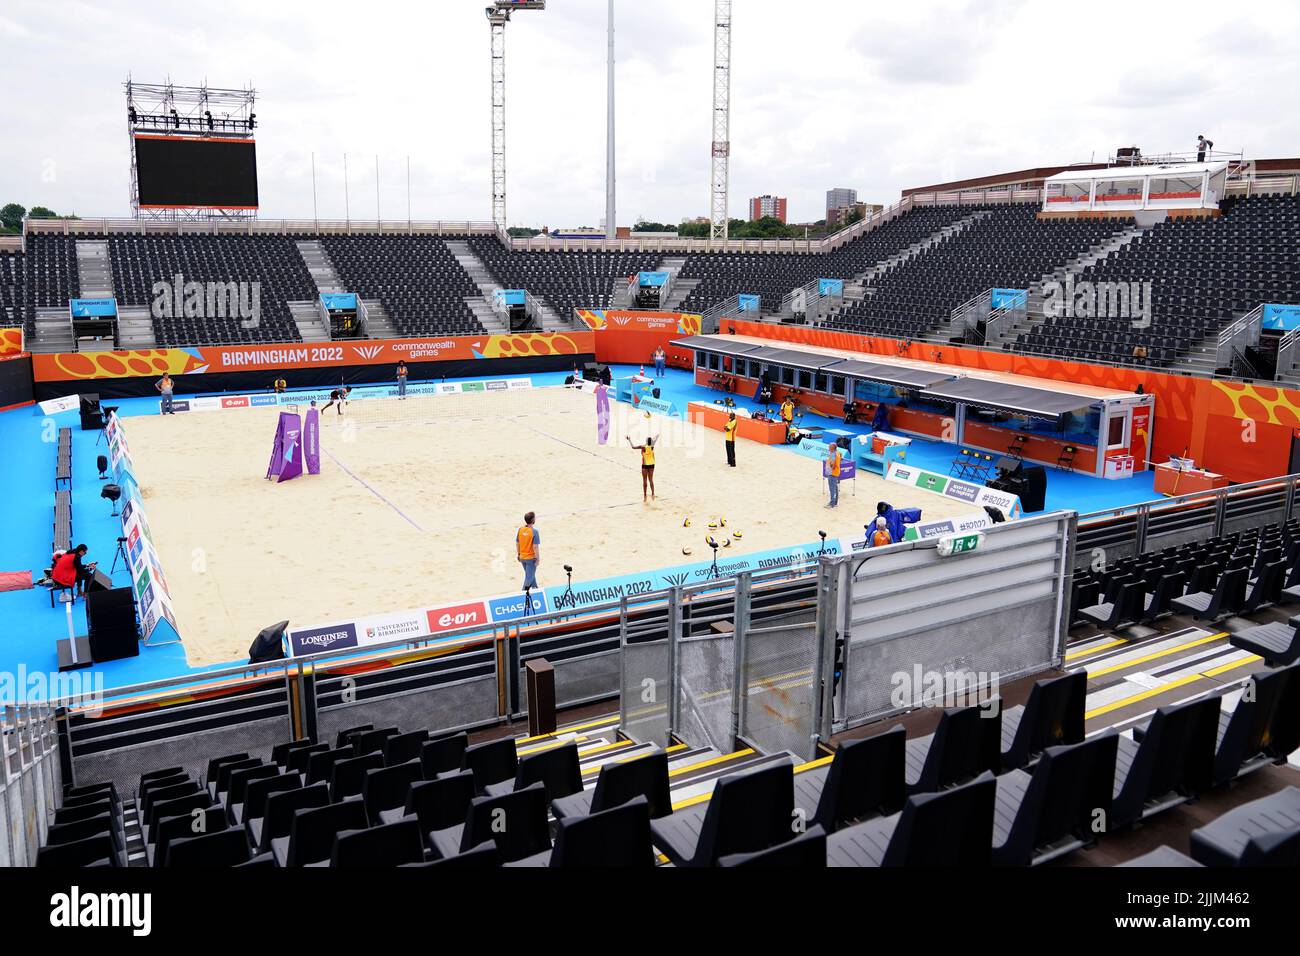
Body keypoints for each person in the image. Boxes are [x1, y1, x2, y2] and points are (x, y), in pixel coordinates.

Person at [516, 512, 540, 594]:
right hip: (530, 559)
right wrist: (538, 558)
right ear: (533, 520)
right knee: (529, 578)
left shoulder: (520, 529)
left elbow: (517, 543)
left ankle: (536, 590)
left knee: (531, 575)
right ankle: (522, 594)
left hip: (522, 558)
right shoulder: (534, 531)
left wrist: (518, 554)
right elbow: (535, 547)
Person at [627, 434, 657, 502]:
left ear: (646, 441)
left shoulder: (643, 447)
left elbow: (633, 447)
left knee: (645, 480)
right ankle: (653, 494)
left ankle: (645, 496)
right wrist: (655, 437)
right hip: (652, 464)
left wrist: (629, 440)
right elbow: (655, 440)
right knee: (651, 479)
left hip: (645, 465)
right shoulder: (652, 446)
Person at [826, 441, 843, 509]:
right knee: (835, 488)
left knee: (832, 489)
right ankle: (835, 502)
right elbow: (841, 455)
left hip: (832, 473)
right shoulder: (837, 452)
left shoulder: (833, 454)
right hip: (836, 472)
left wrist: (830, 465)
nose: (828, 447)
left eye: (829, 446)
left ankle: (832, 504)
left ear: (832, 448)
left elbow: (832, 465)